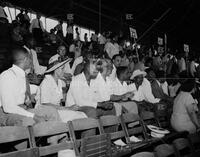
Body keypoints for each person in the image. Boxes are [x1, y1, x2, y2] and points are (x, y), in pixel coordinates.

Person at [0, 47, 60, 127]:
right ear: (25, 59)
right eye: (30, 58)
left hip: (21, 110)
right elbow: (8, 108)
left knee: (52, 112)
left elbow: (31, 89)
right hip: (6, 114)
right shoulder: (7, 75)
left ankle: (57, 139)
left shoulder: (22, 75)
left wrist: (44, 88)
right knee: (29, 121)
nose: (31, 61)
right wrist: (33, 116)